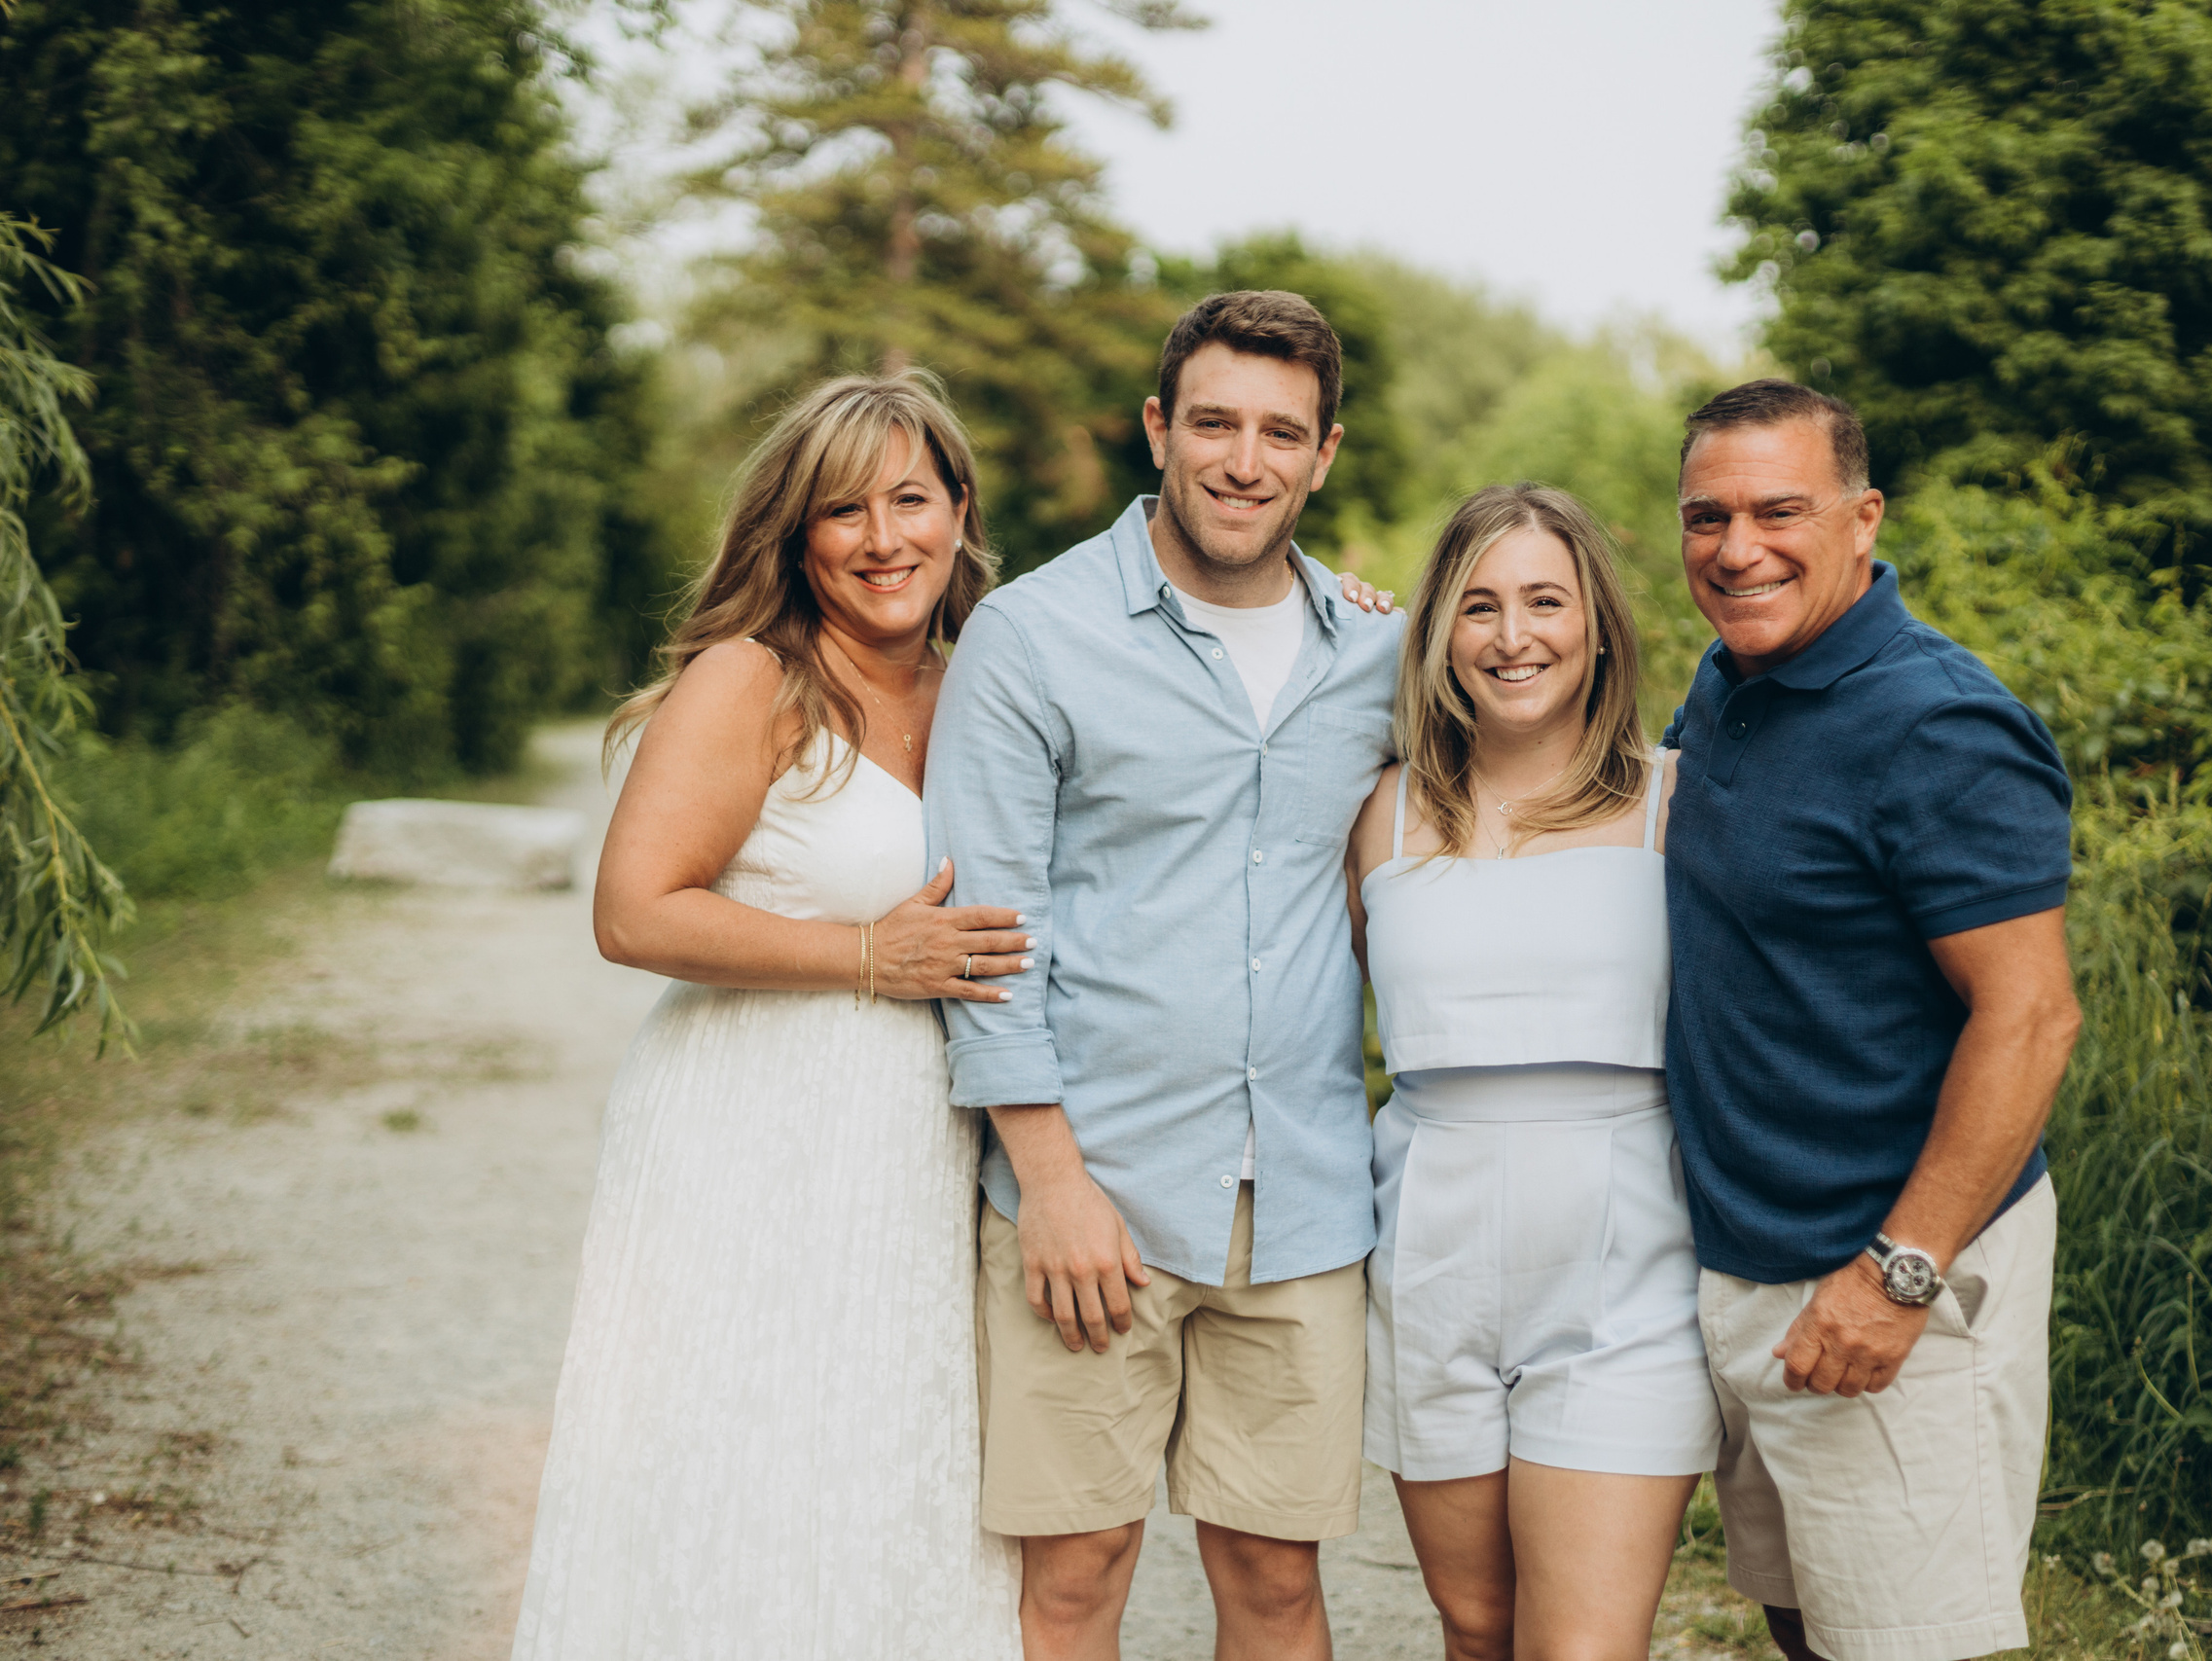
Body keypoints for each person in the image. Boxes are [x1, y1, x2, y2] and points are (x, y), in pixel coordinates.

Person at [510, 375, 1033, 1660]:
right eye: (841, 509)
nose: (882, 536)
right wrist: (864, 950)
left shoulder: (985, 687)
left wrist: (1341, 607)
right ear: (795, 537)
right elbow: (633, 911)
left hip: (913, 1149)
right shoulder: (754, 679)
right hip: (744, 1129)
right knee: (736, 1450)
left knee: (886, 1458)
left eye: (911, 498)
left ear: (961, 511)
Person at [922, 290, 1401, 1661]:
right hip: (1094, 1190)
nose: (1243, 460)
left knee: (1276, 1579)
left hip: (1302, 1192)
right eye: (1213, 423)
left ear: (1324, 454)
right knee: (1075, 1575)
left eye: (1280, 432)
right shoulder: (1032, 635)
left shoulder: (1379, 647)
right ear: (1157, 428)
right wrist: (1054, 1178)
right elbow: (991, 934)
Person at [1664, 379, 2083, 1661]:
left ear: (1862, 516)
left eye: (1779, 510)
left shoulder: (1936, 719)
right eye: (1707, 516)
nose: (1739, 548)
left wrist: (1899, 1273)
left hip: (1889, 1274)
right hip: (1746, 1266)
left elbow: (2031, 1016)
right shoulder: (1732, 679)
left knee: (1909, 1642)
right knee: (1803, 1620)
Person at [1347, 483, 1722, 1661]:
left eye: (1546, 601)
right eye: (1479, 607)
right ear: (1438, 632)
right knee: (1476, 1628)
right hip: (1430, 1252)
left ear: (1598, 623)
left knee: (1581, 1647)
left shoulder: (1675, 799)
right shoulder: (1383, 811)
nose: (1515, 638)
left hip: (1625, 1266)